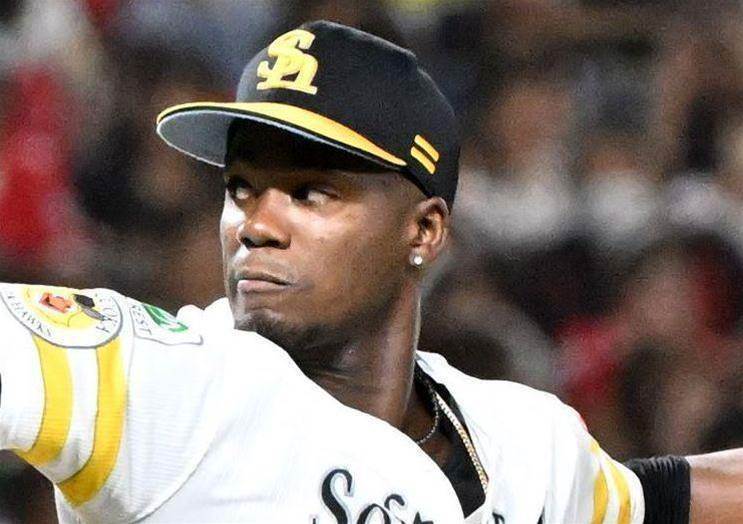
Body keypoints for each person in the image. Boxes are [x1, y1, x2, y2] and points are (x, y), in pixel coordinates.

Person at [0, 20, 740, 523]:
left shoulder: (527, 442)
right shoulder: (176, 384)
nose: (256, 223)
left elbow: (659, 497)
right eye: (242, 188)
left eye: (310, 192)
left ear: (424, 230)